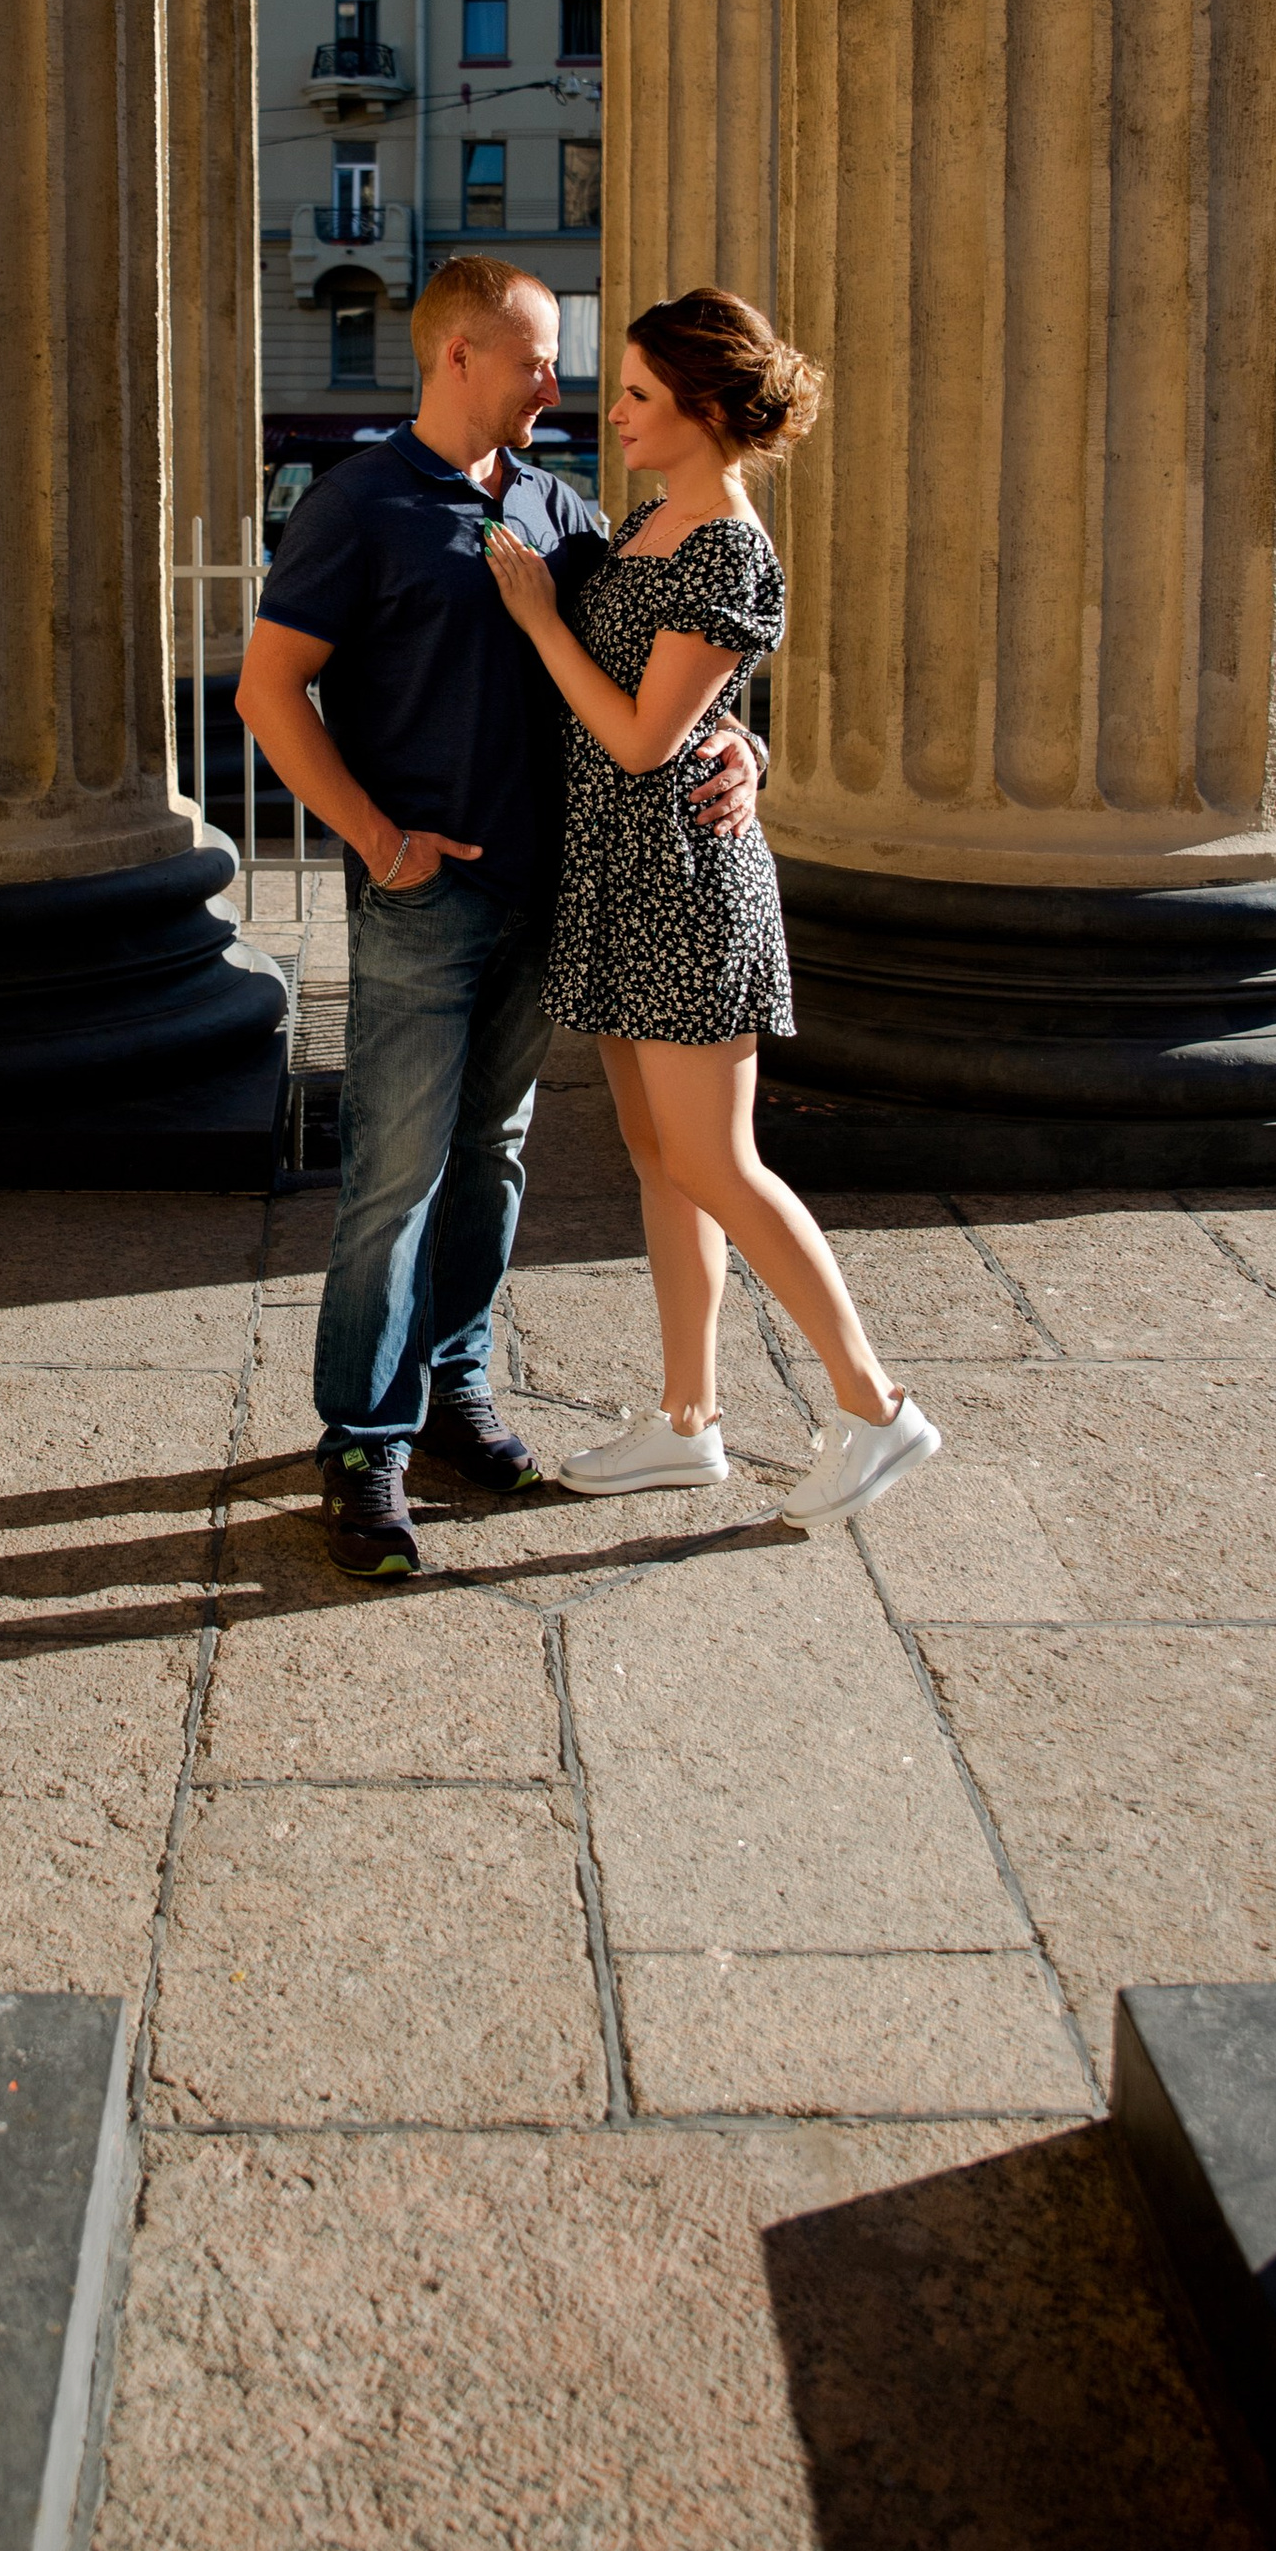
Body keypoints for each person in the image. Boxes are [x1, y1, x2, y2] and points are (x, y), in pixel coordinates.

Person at [234, 258, 763, 1579]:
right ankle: (364, 1439)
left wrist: (742, 748)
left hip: (550, 896)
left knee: (493, 1160)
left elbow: (648, 682)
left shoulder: (560, 509)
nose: (559, 382)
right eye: (536, 360)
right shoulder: (358, 505)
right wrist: (376, 840)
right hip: (425, 898)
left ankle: (456, 1392)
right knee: (396, 1175)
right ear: (458, 357)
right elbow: (264, 692)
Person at [482, 286, 942, 1526]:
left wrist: (536, 619)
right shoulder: (651, 521)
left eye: (636, 393)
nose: (612, 410)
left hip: (684, 881)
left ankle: (876, 1405)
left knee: (713, 1158)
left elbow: (639, 740)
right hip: (627, 880)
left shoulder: (726, 544)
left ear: (698, 407)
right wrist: (741, 735)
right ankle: (690, 1423)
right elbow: (683, 704)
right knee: (657, 1158)